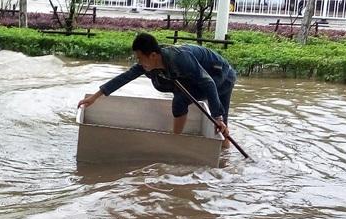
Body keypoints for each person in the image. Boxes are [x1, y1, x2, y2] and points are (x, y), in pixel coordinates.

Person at [78, 33, 236, 146]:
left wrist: (218, 117)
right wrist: (95, 97)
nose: (138, 62)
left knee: (220, 125)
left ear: (153, 55)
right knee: (181, 101)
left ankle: (221, 154)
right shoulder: (150, 64)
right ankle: (176, 140)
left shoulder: (180, 58)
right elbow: (124, 78)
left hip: (220, 74)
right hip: (204, 78)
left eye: (140, 58)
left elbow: (208, 83)